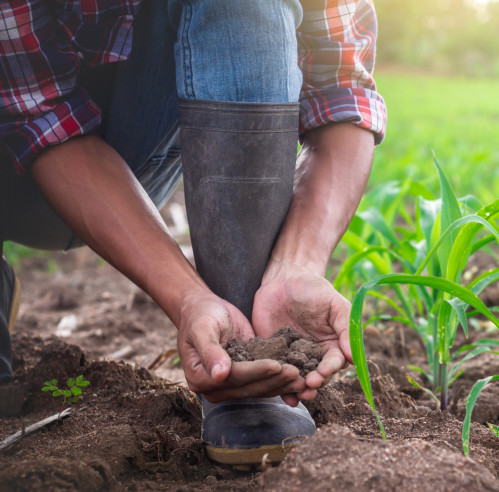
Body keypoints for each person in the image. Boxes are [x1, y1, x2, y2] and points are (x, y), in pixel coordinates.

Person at [0, 0, 386, 466]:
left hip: (120, 149)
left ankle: (242, 347)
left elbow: (343, 92)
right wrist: (183, 297)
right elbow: (37, 118)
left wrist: (296, 264)